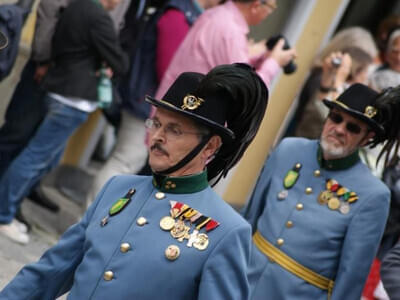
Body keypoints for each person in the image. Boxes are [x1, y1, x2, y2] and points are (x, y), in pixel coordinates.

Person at [0, 63, 269, 299]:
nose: (159, 137)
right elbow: (50, 271)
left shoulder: (227, 232)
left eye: (175, 130)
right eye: (157, 124)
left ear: (210, 146)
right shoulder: (117, 189)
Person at [243, 83, 400, 299]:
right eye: (336, 118)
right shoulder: (289, 149)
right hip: (242, 281)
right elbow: (251, 217)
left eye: (353, 128)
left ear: (366, 138)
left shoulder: (373, 194)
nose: (339, 129)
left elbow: (351, 275)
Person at [0, 0, 128, 245]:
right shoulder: (97, 16)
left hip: (59, 90)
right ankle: (4, 214)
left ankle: (8, 209)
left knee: (39, 158)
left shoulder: (76, 7)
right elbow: (120, 62)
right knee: (34, 158)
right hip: (73, 98)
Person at [88, 0, 220, 201]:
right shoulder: (178, 15)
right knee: (124, 162)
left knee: (126, 163)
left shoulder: (189, 15)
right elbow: (169, 69)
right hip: (146, 103)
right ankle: (89, 219)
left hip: (149, 102)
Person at [155, 0, 296, 100]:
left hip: (173, 106)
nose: (269, 13)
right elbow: (246, 92)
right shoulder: (231, 32)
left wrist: (260, 59)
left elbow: (223, 64)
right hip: (184, 118)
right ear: (256, 5)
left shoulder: (217, 13)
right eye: (271, 6)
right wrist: (274, 62)